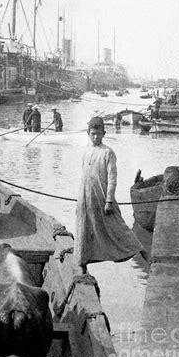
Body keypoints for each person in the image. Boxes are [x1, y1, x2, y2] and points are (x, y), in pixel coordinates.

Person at [74, 116, 144, 273]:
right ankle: (82, 262)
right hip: (86, 196)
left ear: (104, 133)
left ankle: (141, 251)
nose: (95, 137)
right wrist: (81, 199)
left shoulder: (108, 152)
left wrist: (109, 200)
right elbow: (83, 175)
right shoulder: (86, 151)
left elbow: (112, 179)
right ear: (88, 133)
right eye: (92, 134)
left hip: (102, 197)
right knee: (84, 228)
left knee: (117, 226)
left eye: (98, 134)